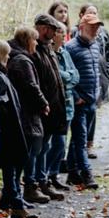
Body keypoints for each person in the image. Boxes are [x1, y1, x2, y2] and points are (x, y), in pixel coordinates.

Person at [0, 40, 36, 218]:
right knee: (9, 168)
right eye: (6, 54)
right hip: (5, 131)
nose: (9, 57)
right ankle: (15, 204)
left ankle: (10, 202)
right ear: (0, 55)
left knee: (4, 169)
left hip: (5, 130)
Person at [7, 27, 51, 204]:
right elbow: (31, 86)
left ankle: (15, 194)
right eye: (34, 40)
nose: (35, 43)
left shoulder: (18, 58)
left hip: (23, 112)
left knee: (24, 154)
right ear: (27, 40)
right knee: (24, 154)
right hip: (26, 113)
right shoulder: (22, 61)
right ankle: (16, 194)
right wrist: (43, 103)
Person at [32, 14, 67, 201]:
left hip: (52, 106)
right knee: (39, 148)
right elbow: (35, 81)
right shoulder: (34, 49)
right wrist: (42, 102)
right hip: (41, 108)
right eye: (53, 30)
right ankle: (37, 182)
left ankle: (43, 181)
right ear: (44, 29)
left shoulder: (48, 49)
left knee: (46, 146)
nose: (55, 35)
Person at [65, 13, 103, 189]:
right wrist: (75, 97)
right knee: (81, 140)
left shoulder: (96, 45)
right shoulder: (70, 48)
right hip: (79, 102)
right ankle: (87, 174)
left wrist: (98, 94)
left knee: (78, 139)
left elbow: (96, 72)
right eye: (92, 27)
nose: (95, 30)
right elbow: (65, 76)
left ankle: (72, 173)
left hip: (92, 100)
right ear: (82, 27)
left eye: (97, 27)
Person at [71, 4, 109, 158]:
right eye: (90, 13)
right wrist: (76, 95)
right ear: (81, 17)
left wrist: (108, 74)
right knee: (79, 130)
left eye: (96, 13)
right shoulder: (75, 37)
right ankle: (83, 167)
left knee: (93, 114)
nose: (95, 28)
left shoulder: (102, 34)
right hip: (81, 89)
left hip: (98, 81)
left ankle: (89, 146)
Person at [45, 20, 79, 190]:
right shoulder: (49, 54)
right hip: (55, 106)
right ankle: (44, 177)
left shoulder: (65, 53)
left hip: (68, 105)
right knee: (54, 143)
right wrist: (67, 77)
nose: (65, 37)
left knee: (61, 145)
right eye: (62, 33)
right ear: (55, 34)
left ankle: (53, 174)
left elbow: (75, 76)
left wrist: (65, 78)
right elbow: (56, 78)